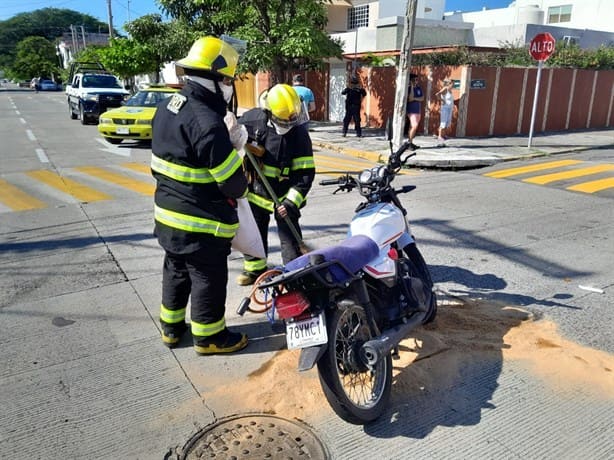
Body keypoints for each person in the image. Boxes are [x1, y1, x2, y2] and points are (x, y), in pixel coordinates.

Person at [150, 36, 250, 355]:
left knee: (175, 271)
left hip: (167, 216)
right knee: (207, 274)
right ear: (216, 78)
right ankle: (209, 337)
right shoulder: (207, 123)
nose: (229, 86)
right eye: (228, 80)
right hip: (199, 221)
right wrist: (236, 148)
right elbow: (234, 185)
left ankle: (171, 329)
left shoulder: (168, 106)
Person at [236, 84, 315, 286]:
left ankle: (294, 276)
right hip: (257, 193)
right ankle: (255, 271)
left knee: (290, 239)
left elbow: (305, 173)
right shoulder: (252, 121)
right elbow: (233, 138)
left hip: (286, 195)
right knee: (254, 234)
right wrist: (234, 134)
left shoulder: (299, 134)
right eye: (283, 119)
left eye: (292, 118)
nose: (289, 123)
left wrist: (290, 203)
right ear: (269, 112)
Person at [406, 73, 424, 150]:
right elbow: (410, 98)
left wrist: (415, 99)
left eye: (417, 80)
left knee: (412, 127)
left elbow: (422, 98)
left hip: (418, 111)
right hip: (411, 111)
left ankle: (410, 142)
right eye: (414, 80)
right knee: (414, 126)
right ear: (411, 80)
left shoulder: (419, 88)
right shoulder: (409, 88)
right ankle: (409, 143)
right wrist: (412, 87)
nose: (416, 81)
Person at [435, 78, 454, 147]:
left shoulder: (450, 90)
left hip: (449, 108)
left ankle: (444, 135)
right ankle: (440, 136)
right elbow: (437, 94)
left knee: (447, 122)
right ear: (449, 84)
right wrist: (442, 100)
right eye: (452, 84)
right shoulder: (445, 89)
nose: (453, 85)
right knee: (443, 122)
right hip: (445, 109)